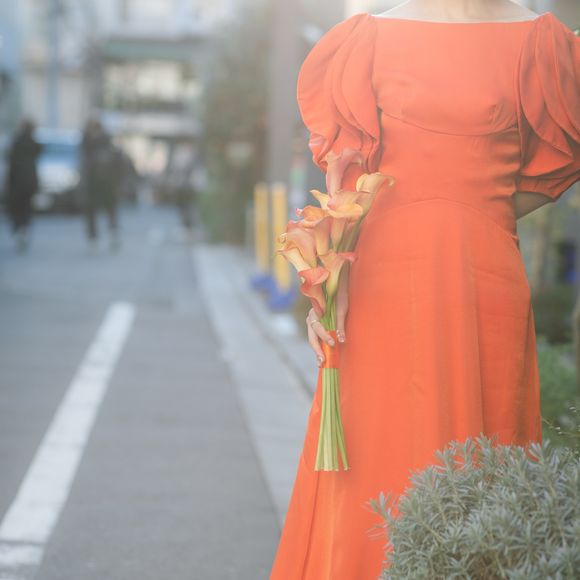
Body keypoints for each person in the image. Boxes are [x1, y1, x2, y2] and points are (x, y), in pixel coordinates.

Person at [269, 0, 580, 578]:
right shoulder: (365, 39)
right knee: (372, 466)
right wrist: (327, 289)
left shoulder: (544, 43)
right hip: (378, 286)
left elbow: (555, 167)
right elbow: (346, 188)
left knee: (476, 465)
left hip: (483, 285)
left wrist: (473, 215)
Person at [79, 119, 123, 251]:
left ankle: (110, 235)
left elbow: (118, 166)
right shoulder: (88, 144)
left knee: (108, 210)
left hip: (104, 184)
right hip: (96, 184)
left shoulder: (103, 144)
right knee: (96, 211)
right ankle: (97, 238)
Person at [4, 119, 42, 251]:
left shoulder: (17, 142)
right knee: (26, 207)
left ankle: (20, 229)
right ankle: (24, 229)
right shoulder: (32, 143)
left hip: (17, 181)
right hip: (29, 181)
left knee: (17, 207)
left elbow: (11, 162)